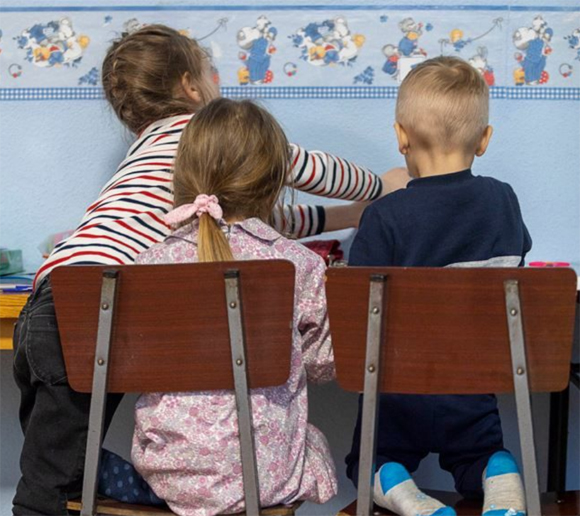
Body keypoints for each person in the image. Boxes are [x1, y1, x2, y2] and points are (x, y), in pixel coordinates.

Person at [13, 25, 407, 515]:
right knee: (48, 484)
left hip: (50, 297)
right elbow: (305, 169)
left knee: (60, 462)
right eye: (213, 74)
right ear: (191, 88)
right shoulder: (194, 133)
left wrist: (347, 218)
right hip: (91, 302)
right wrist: (380, 186)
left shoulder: (147, 159)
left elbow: (251, 218)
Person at [131, 97, 337, 514]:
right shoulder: (298, 264)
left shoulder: (148, 264)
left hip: (171, 473)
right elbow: (323, 365)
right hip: (263, 475)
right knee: (313, 441)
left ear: (183, 174)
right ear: (275, 183)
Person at [346, 56, 531, 516]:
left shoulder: (385, 216)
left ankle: (408, 497)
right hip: (471, 387)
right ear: (484, 140)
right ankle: (501, 475)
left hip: (398, 391)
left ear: (401, 137)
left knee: (370, 459)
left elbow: (355, 310)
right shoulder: (504, 200)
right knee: (476, 460)